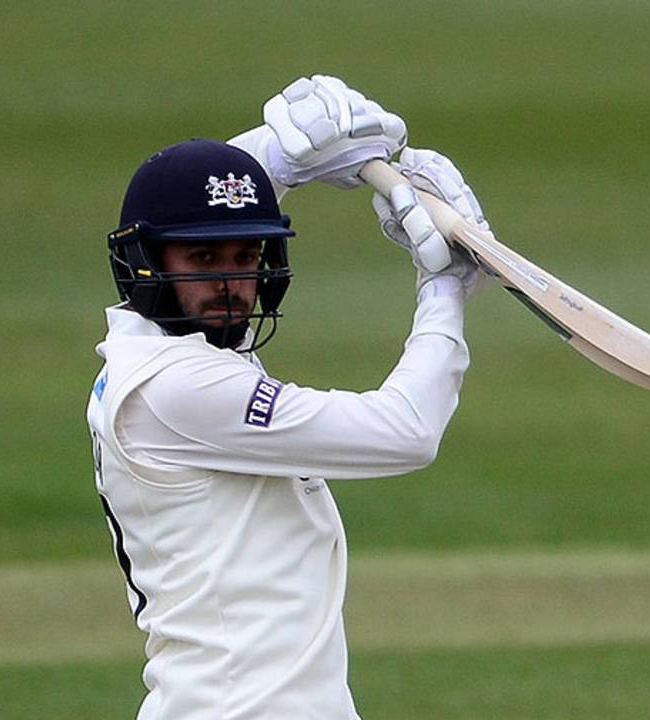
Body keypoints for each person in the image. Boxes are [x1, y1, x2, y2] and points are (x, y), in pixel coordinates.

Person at [87, 75, 492, 719]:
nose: (231, 281)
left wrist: (281, 156)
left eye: (247, 255)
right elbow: (407, 432)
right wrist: (444, 291)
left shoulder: (165, 348)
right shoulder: (177, 389)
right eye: (203, 259)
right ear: (146, 264)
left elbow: (195, 210)